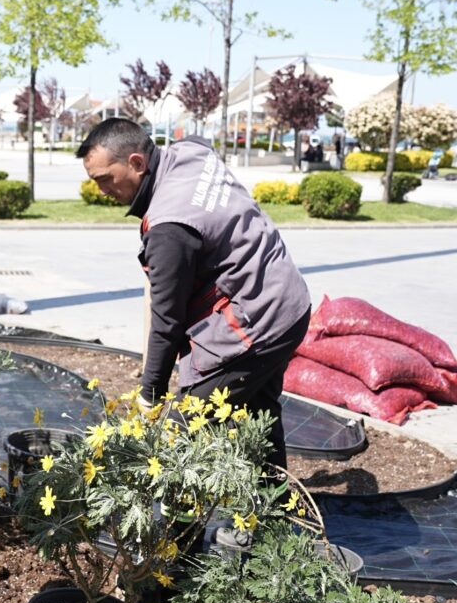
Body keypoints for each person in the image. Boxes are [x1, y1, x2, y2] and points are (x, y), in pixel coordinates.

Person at [77, 117, 311, 494]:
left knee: (187, 434)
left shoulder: (170, 228)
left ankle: (179, 547)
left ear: (137, 162)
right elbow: (203, 142)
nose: (101, 189)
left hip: (259, 323)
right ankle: (280, 523)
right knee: (259, 419)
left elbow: (167, 321)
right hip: (289, 303)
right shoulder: (190, 153)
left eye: (105, 178)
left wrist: (150, 393)